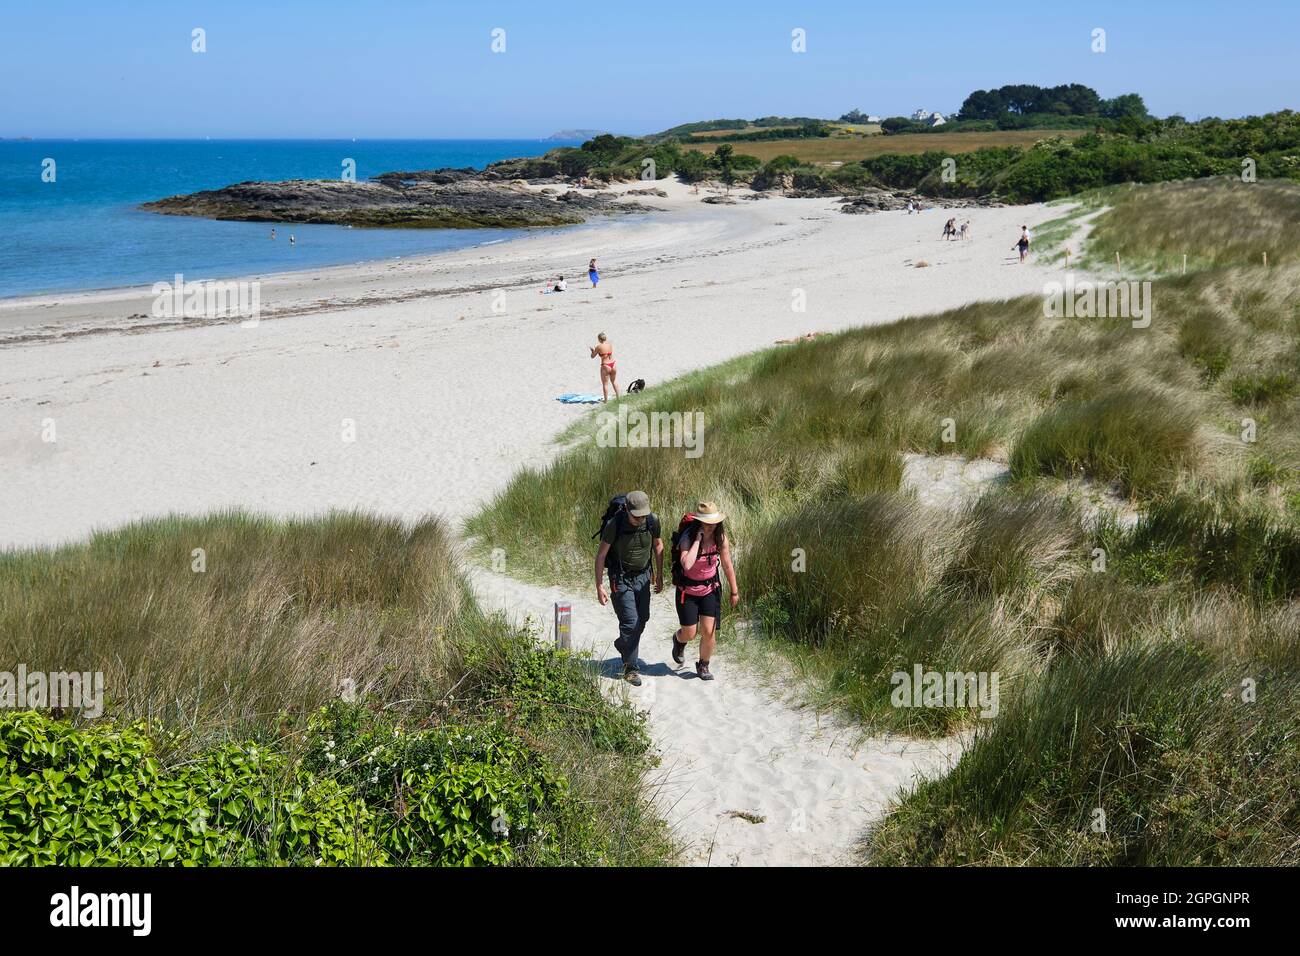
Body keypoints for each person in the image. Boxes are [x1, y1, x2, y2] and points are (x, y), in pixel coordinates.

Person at [595, 491, 663, 686]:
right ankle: (630, 668)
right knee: (630, 622)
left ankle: (623, 644)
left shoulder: (652, 521)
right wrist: (599, 585)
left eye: (643, 515)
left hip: (643, 576)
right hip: (621, 577)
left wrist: (659, 574)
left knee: (643, 619)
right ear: (627, 510)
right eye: (637, 516)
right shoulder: (614, 525)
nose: (640, 519)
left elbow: (658, 546)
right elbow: (601, 556)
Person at [669, 502, 739, 682]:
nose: (710, 525)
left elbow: (726, 564)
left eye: (713, 521)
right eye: (706, 522)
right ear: (699, 521)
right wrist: (698, 540)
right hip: (688, 591)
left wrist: (734, 590)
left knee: (709, 631)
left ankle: (703, 665)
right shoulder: (687, 537)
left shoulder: (720, 538)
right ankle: (679, 641)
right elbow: (687, 564)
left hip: (710, 589)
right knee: (690, 633)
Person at [590, 331, 618, 402]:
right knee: (614, 381)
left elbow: (592, 356)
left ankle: (606, 401)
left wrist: (592, 351)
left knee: (605, 384)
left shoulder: (598, 347)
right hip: (613, 364)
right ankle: (618, 397)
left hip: (605, 365)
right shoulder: (610, 345)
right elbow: (610, 355)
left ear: (599, 339)